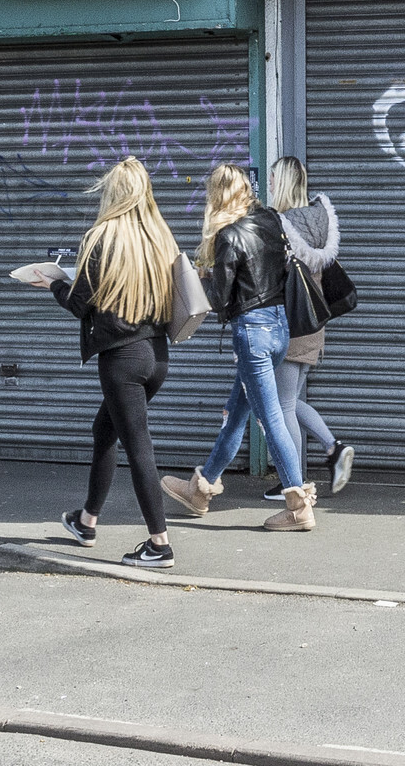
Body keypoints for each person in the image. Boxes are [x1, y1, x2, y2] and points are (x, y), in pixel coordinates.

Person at [35, 156, 180, 570]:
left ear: (113, 193)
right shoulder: (159, 237)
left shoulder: (102, 237)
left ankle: (160, 544)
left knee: (138, 448)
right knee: (104, 430)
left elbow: (81, 304)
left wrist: (54, 283)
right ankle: (86, 521)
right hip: (157, 356)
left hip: (122, 360)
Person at [160, 163, 316, 533]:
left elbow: (222, 300)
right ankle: (201, 489)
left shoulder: (229, 236)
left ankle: (297, 506)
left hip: (253, 335)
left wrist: (200, 279)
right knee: (238, 411)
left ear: (217, 195)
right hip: (279, 328)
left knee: (270, 417)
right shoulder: (269, 221)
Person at [265, 156, 355, 504]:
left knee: (283, 404)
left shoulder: (282, 224)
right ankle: (331, 451)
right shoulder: (321, 222)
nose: (269, 184)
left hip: (290, 322)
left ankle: (296, 481)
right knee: (290, 401)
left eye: (273, 178)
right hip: (314, 322)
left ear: (284, 182)